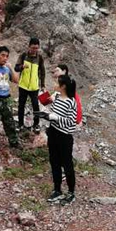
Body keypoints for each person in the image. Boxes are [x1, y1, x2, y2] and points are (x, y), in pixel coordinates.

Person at [37, 74, 78, 205]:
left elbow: (71, 122)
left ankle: (71, 192)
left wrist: (55, 117)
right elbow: (52, 111)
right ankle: (57, 189)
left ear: (63, 86)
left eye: (57, 82)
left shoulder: (71, 102)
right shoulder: (57, 97)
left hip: (64, 136)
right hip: (53, 133)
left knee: (67, 164)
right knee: (54, 161)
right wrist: (47, 115)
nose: (54, 83)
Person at [15, 37, 46, 134]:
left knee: (36, 106)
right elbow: (16, 68)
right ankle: (20, 124)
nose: (34, 50)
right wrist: (22, 66)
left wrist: (42, 85)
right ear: (29, 46)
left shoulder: (39, 58)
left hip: (34, 87)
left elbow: (42, 72)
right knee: (21, 105)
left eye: (36, 48)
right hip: (23, 86)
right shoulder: (23, 56)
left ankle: (36, 124)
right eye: (33, 48)